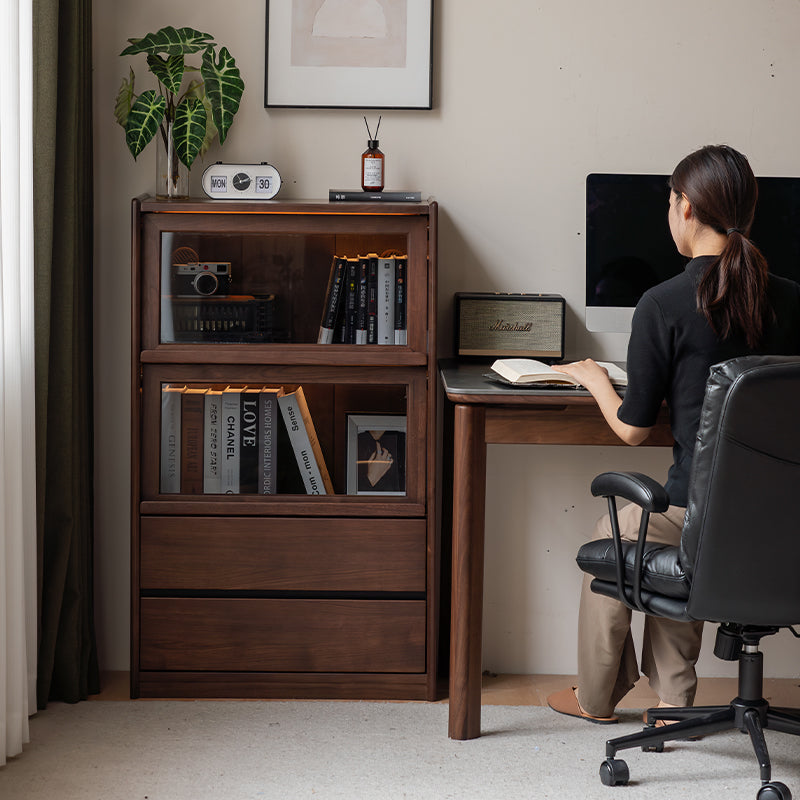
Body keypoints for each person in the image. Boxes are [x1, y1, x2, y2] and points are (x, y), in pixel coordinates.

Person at [547, 144, 800, 724]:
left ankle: (599, 699)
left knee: (629, 520)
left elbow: (634, 431)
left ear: (685, 207)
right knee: (665, 525)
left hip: (700, 514)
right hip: (783, 522)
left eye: (669, 201)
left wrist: (592, 380)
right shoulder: (792, 299)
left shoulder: (662, 303)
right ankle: (669, 703)